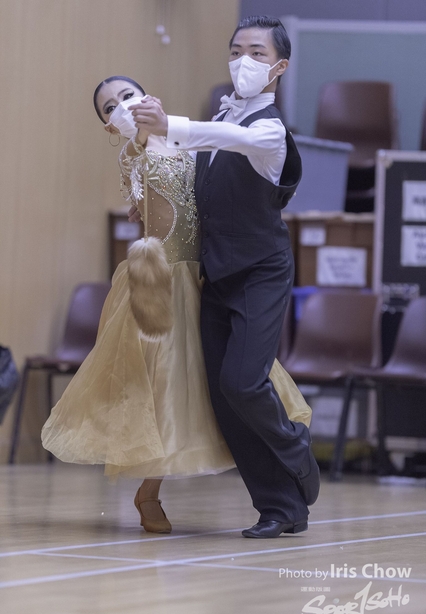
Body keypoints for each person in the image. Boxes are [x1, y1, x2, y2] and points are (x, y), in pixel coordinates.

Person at [41, 74, 312, 535]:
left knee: (220, 381)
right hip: (162, 282)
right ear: (109, 127)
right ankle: (150, 491)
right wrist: (142, 184)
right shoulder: (133, 154)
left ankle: (283, 467)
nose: (122, 107)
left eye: (128, 96)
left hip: (206, 276)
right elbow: (142, 186)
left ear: (150, 97)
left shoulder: (191, 142)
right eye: (110, 107)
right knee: (162, 387)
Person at [129, 16, 320, 539]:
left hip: (260, 271)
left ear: (279, 67)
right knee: (223, 395)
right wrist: (149, 199)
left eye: (257, 53)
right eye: (237, 51)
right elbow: (184, 173)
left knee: (243, 382)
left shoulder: (268, 130)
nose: (243, 61)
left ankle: (296, 447)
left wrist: (170, 122)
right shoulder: (222, 116)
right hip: (215, 272)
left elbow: (227, 138)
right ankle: (281, 508)